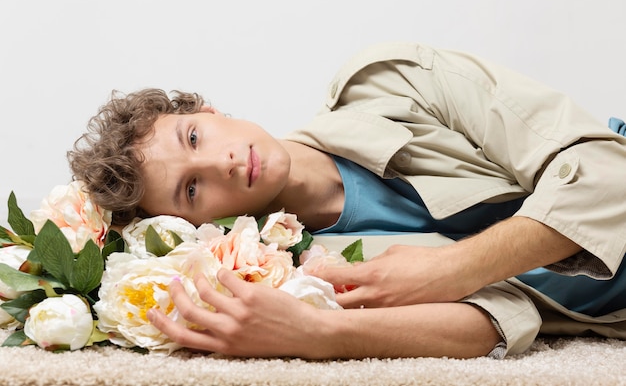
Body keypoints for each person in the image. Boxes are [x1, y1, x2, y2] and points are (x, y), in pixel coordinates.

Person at [68, 42, 626, 359]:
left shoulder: (391, 84)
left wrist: (454, 268)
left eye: (194, 137)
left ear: (210, 112)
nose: (223, 163)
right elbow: (501, 320)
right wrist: (320, 334)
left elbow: (609, 176)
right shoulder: (298, 271)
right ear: (191, 226)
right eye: (192, 189)